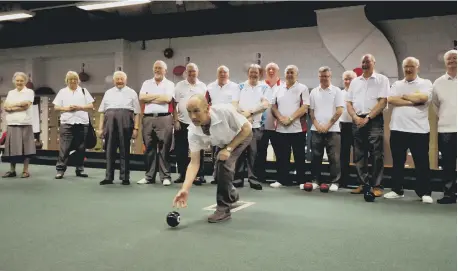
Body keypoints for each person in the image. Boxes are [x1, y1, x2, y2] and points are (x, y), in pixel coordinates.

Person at [172, 94, 253, 223]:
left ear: (207, 108)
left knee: (223, 162)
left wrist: (229, 149)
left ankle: (223, 209)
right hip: (223, 141)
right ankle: (231, 194)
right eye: (189, 112)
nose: (193, 117)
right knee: (219, 170)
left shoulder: (224, 111)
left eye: (196, 111)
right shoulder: (193, 132)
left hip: (241, 135)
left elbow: (247, 129)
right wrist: (184, 189)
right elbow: (194, 163)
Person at [384, 57, 433, 203]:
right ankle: (397, 190)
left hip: (419, 130)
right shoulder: (397, 84)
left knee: (422, 162)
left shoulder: (426, 83)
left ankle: (424, 192)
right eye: (406, 67)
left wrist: (404, 96)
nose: (408, 69)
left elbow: (423, 98)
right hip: (398, 128)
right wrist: (413, 100)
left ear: (417, 67)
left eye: (411, 66)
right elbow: (391, 100)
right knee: (398, 161)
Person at [346, 54, 389, 197]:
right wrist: (354, 117)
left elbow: (383, 101)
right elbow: (349, 103)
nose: (365, 64)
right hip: (357, 119)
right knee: (359, 154)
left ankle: (377, 186)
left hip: (374, 120)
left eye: (368, 61)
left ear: (374, 63)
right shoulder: (354, 82)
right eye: (363, 62)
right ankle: (363, 184)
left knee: (377, 154)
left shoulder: (382, 80)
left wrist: (369, 117)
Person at [97, 71, 141, 185]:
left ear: (126, 80)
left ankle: (125, 177)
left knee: (124, 149)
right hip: (110, 122)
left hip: (126, 122)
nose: (120, 81)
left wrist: (136, 128)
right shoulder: (108, 93)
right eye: (117, 79)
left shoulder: (132, 93)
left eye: (122, 79)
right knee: (109, 150)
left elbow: (137, 113)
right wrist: (100, 128)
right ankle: (108, 177)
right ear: (113, 80)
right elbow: (102, 112)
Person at [306, 66, 344, 192]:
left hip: (333, 130)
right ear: (319, 77)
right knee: (316, 157)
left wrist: (328, 125)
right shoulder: (313, 92)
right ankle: (315, 180)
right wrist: (316, 124)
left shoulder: (337, 91)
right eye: (322, 76)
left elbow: (339, 111)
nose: (324, 78)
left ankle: (335, 182)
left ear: (330, 76)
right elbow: (311, 111)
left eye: (326, 76)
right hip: (316, 130)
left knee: (334, 158)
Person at [137, 60, 175, 186]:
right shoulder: (146, 83)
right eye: (155, 68)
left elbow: (167, 99)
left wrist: (150, 97)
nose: (157, 70)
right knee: (149, 148)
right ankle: (149, 177)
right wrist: (159, 97)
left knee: (164, 147)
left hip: (164, 118)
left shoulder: (169, 84)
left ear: (165, 71)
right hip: (148, 118)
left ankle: (165, 176)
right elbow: (142, 98)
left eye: (160, 68)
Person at [53, 71, 94, 179]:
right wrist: (66, 108)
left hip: (82, 122)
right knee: (64, 148)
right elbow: (56, 107)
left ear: (78, 80)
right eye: (70, 79)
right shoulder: (62, 92)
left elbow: (91, 106)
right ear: (67, 81)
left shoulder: (84, 91)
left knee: (81, 148)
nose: (73, 81)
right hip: (67, 122)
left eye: (75, 79)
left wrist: (80, 107)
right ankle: (60, 170)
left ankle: (79, 169)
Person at [173, 63, 207, 185]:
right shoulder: (179, 85)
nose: (192, 73)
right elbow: (174, 103)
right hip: (181, 122)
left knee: (198, 150)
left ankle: (199, 175)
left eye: (194, 71)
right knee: (181, 150)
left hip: (197, 124)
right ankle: (183, 175)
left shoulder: (203, 86)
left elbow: (205, 105)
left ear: (198, 72)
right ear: (185, 73)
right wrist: (176, 120)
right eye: (189, 71)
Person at [432, 49, 457, 204]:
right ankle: (449, 194)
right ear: (445, 62)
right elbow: (435, 105)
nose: (452, 61)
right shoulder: (438, 82)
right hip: (446, 129)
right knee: (447, 163)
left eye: (455, 58)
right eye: (449, 59)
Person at [2, 72, 35, 178]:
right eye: (17, 80)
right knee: (12, 149)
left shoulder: (29, 92)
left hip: (25, 123)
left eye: (21, 80)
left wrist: (12, 107)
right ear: (14, 81)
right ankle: (12, 170)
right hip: (12, 123)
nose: (19, 82)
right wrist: (18, 104)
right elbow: (6, 106)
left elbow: (26, 106)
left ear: (25, 81)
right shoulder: (11, 93)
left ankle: (25, 171)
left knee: (26, 148)